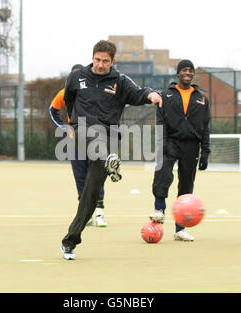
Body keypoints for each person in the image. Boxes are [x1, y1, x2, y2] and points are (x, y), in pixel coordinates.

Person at [60, 40, 162, 260]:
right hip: (82, 129)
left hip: (109, 137)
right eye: (97, 60)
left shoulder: (120, 81)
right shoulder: (76, 78)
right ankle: (109, 160)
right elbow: (69, 99)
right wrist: (73, 120)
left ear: (112, 61)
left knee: (91, 193)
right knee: (91, 135)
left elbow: (138, 93)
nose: (100, 65)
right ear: (92, 57)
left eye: (105, 61)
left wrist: (151, 95)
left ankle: (70, 242)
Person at [149, 59, 211, 242]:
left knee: (186, 185)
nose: (188, 73)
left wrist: (205, 152)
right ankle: (159, 210)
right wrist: (163, 144)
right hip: (170, 143)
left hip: (192, 146)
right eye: (184, 70)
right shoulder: (165, 95)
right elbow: (160, 122)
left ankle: (180, 229)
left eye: (191, 70)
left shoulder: (201, 97)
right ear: (178, 74)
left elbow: (206, 127)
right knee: (162, 176)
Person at [49, 64, 107, 227]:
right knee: (80, 175)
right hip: (75, 140)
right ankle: (85, 214)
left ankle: (100, 211)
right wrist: (65, 128)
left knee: (97, 173)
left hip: (95, 137)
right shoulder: (64, 92)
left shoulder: (94, 91)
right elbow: (52, 110)